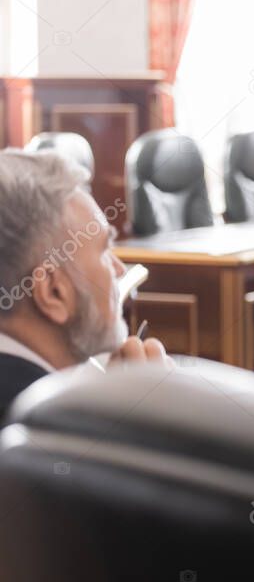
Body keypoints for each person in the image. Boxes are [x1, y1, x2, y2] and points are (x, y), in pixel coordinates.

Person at [0, 151, 171, 418]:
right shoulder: (55, 423)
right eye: (104, 250)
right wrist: (148, 421)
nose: (118, 269)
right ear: (53, 293)